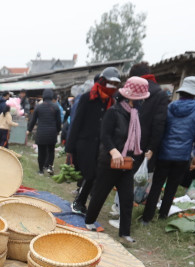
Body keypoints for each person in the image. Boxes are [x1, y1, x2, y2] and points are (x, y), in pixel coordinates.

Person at [85, 76, 151, 242]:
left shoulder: (135, 115)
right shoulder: (113, 112)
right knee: (100, 194)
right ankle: (89, 221)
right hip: (109, 162)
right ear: (130, 98)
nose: (141, 102)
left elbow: (136, 138)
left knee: (127, 198)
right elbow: (105, 135)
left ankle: (125, 233)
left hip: (127, 163)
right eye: (139, 99)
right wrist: (114, 151)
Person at [143, 76, 195, 223]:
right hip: (182, 156)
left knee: (157, 185)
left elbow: (162, 128)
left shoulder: (171, 106)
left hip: (164, 153)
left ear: (182, 91)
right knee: (171, 187)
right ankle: (163, 215)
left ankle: (147, 217)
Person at [66, 67, 121, 214]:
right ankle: (79, 202)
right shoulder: (87, 98)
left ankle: (81, 201)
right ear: (103, 81)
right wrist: (70, 148)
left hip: (101, 145)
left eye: (115, 84)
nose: (113, 87)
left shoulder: (111, 101)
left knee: (95, 175)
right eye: (110, 83)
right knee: (90, 174)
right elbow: (76, 122)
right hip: (84, 143)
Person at [128, 62, 168, 171]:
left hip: (126, 143)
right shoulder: (161, 95)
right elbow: (158, 125)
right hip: (145, 146)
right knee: (137, 181)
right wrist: (151, 148)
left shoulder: (131, 90)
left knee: (122, 178)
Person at [26, 88, 62, 175]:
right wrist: (58, 131)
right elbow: (58, 122)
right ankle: (49, 167)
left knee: (41, 152)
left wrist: (29, 130)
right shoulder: (56, 107)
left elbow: (33, 120)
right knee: (51, 151)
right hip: (52, 133)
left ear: (44, 96)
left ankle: (41, 170)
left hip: (41, 132)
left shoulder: (38, 107)